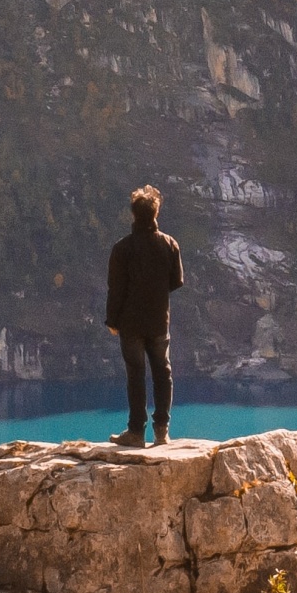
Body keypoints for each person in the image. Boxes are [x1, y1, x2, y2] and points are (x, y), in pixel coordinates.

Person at [105, 184, 184, 446]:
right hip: (160, 321)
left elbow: (116, 288)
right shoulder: (169, 244)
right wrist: (157, 293)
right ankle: (162, 431)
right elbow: (177, 281)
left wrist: (113, 321)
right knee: (163, 372)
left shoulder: (122, 248)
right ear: (156, 214)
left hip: (130, 323)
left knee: (135, 375)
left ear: (133, 215)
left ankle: (136, 433)